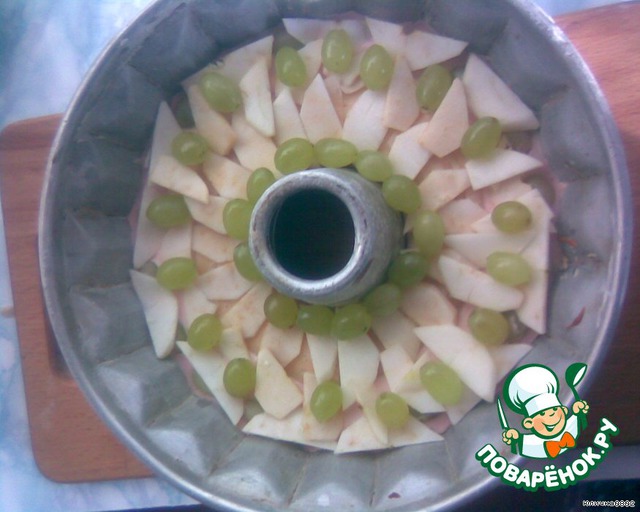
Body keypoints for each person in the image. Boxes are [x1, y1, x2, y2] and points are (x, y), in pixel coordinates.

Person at [501, 364, 589, 459]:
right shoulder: (533, 444)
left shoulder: (570, 427)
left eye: (554, 410)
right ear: (529, 423)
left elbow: (578, 420)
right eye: (542, 414)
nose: (551, 417)